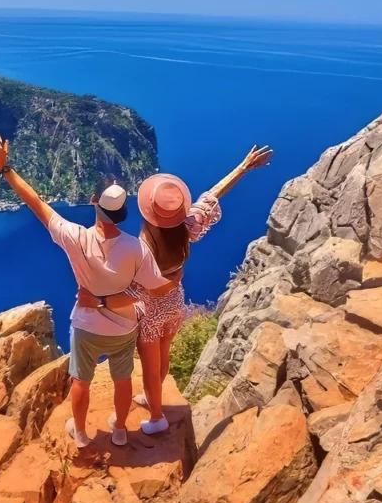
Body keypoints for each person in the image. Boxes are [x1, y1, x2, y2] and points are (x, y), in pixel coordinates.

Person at [0, 131, 175, 449]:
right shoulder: (136, 248)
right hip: (125, 327)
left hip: (85, 325)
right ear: (121, 212)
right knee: (122, 379)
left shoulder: (73, 236)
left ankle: (83, 434)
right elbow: (154, 291)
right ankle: (120, 430)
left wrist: (5, 168)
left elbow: (35, 203)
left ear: (93, 203)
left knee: (81, 381)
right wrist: (174, 275)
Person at [78, 145, 272, 434]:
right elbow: (213, 195)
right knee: (163, 354)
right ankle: (151, 397)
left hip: (150, 311)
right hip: (175, 302)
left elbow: (141, 288)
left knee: (149, 364)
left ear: (147, 211)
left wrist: (101, 301)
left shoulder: (140, 249)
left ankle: (156, 417)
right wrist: (243, 167)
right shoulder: (188, 226)